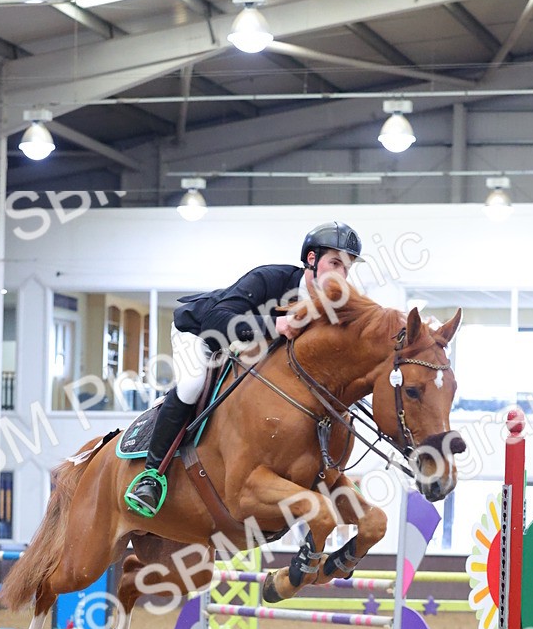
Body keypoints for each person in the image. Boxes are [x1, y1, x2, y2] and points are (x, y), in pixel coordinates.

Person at [124, 220, 362, 518]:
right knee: (192, 385)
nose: (341, 275)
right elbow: (216, 321)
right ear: (311, 260)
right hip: (201, 334)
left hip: (247, 351)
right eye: (335, 263)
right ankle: (151, 476)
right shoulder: (270, 279)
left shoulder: (331, 306)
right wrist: (275, 325)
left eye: (347, 268)